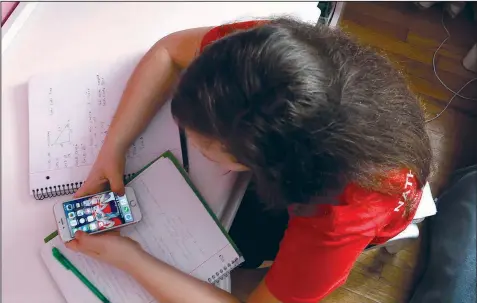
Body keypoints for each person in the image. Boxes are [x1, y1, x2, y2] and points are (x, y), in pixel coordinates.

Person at [68, 17, 432, 303]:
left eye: (205, 147)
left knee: (234, 248)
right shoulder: (263, 59)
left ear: (268, 168)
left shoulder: (338, 216)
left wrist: (131, 260)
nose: (195, 148)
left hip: (364, 203)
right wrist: (112, 149)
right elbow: (168, 51)